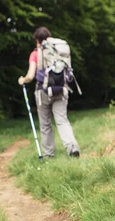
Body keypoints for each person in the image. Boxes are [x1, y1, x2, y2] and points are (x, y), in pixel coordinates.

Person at [18, 27, 80, 158]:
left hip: (43, 92)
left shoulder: (36, 53)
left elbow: (30, 75)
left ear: (37, 40)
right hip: (62, 89)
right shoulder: (60, 51)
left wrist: (22, 80)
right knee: (62, 120)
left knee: (45, 124)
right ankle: (72, 147)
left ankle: (48, 154)